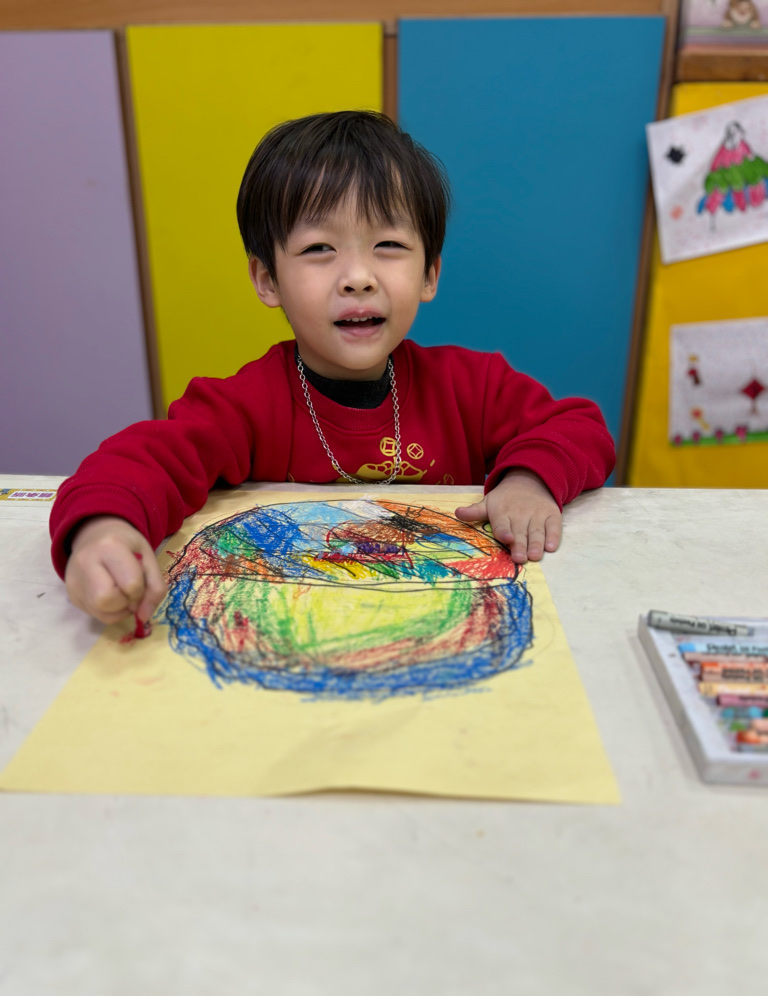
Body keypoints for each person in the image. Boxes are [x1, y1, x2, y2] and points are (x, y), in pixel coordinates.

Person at [52, 110, 615, 629]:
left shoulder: (474, 386)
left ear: (429, 274)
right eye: (320, 248)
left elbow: (579, 426)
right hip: (294, 620)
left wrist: (527, 481)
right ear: (267, 279)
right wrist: (104, 531)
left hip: (436, 613)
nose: (358, 277)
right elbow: (139, 462)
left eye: (388, 244)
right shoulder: (245, 406)